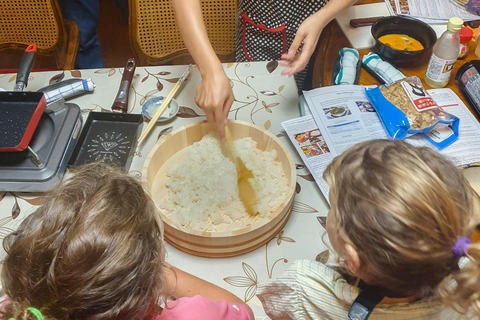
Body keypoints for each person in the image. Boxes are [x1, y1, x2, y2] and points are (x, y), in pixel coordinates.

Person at [256, 140, 480, 319]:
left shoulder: (303, 286)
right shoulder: (470, 281)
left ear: (352, 260)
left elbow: (278, 314)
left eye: (333, 207)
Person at [0, 163, 253, 320]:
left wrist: (139, 270)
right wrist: (158, 273)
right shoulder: (193, 316)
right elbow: (242, 311)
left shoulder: (22, 307)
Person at [172, 0, 358, 141]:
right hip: (263, 28)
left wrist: (322, 17)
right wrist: (210, 71)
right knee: (253, 111)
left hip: (329, 27)